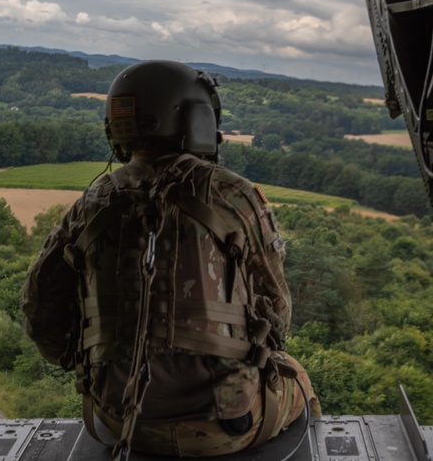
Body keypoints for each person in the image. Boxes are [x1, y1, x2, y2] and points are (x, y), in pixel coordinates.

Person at [22, 60, 320, 458]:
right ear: (196, 120)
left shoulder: (93, 202)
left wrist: (90, 360)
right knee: (297, 376)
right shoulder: (234, 194)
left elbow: (40, 310)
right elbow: (278, 313)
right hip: (226, 426)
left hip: (117, 419)